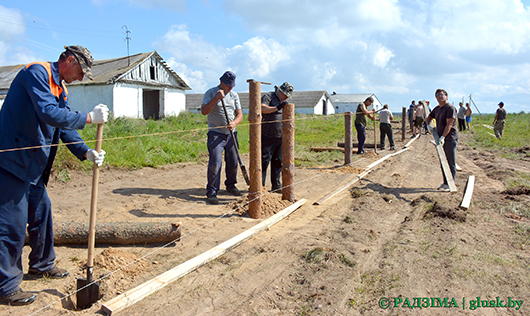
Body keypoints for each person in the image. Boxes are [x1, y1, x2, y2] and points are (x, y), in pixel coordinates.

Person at [0, 45, 109, 306]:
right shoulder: (36, 73)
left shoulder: (60, 88)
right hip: (11, 160)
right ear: (69, 60)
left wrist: (86, 152)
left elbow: (62, 126)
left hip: (34, 166)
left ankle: (42, 265)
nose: (81, 78)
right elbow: (49, 113)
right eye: (81, 71)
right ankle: (6, 287)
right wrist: (88, 118)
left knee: (42, 213)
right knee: (11, 226)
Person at [201, 71, 243, 204]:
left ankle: (230, 185)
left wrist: (234, 123)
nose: (230, 88)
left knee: (233, 161)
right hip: (215, 134)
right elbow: (204, 111)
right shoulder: (211, 93)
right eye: (228, 85)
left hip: (231, 134)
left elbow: (240, 114)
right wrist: (216, 98)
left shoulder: (234, 95)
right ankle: (212, 192)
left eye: (232, 86)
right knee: (215, 162)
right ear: (221, 82)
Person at [261, 82, 293, 193]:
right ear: (279, 91)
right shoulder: (268, 96)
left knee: (278, 162)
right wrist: (277, 107)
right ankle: (261, 187)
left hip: (280, 136)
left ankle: (276, 186)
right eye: (285, 95)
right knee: (264, 161)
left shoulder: (283, 102)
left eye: (287, 96)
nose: (286, 98)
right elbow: (262, 108)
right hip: (267, 135)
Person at [425, 89, 459, 192]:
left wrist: (443, 137)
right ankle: (445, 182)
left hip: (450, 138)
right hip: (440, 138)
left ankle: (451, 184)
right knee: (443, 161)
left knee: (450, 161)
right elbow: (429, 117)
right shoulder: (437, 109)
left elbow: (449, 124)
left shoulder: (450, 108)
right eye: (437, 95)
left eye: (441, 95)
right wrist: (428, 125)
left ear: (446, 96)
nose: (440, 97)